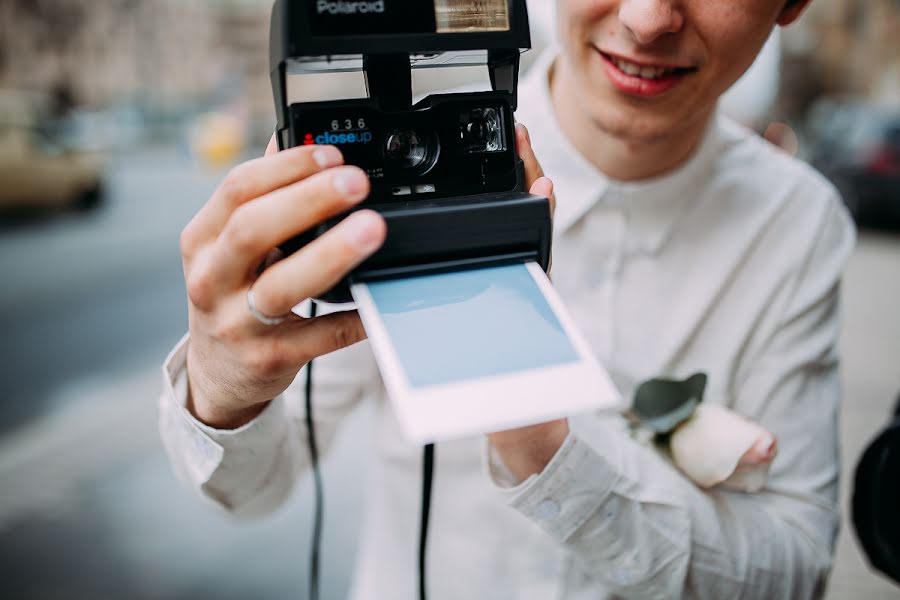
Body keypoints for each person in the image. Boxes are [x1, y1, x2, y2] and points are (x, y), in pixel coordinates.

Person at [160, 0, 855, 597]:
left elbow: (793, 569)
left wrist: (546, 445)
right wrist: (225, 394)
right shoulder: (349, 185)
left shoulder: (797, 223)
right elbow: (253, 491)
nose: (647, 20)